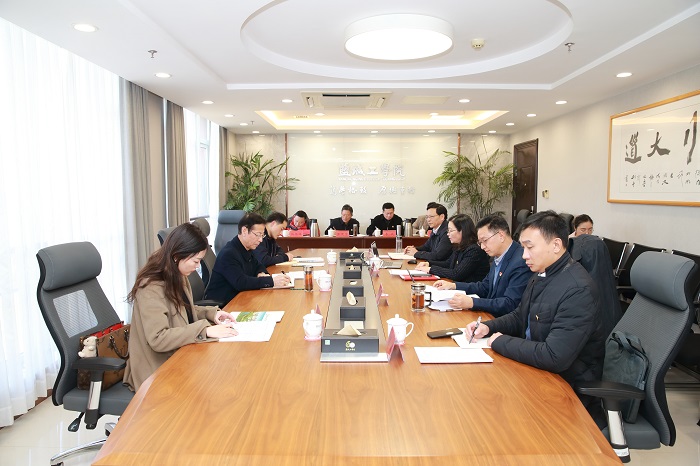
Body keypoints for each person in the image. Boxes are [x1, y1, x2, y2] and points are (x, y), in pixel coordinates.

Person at [464, 210, 605, 424]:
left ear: (556, 245)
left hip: (564, 389)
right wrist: (488, 327)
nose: (524, 255)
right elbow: (521, 315)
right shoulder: (542, 273)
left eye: (530, 247)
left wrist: (500, 341)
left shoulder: (578, 290)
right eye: (523, 248)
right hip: (533, 371)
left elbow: (554, 356)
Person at [124, 223, 238, 391]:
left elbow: (182, 310)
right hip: (157, 368)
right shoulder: (151, 286)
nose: (198, 266)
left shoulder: (177, 273)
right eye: (196, 261)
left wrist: (211, 314)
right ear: (177, 256)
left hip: (180, 354)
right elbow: (158, 339)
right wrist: (205, 330)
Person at [434, 214, 532, 317]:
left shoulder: (521, 261)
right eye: (480, 242)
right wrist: (453, 286)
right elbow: (485, 286)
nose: (482, 247)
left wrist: (472, 302)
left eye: (485, 240)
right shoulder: (498, 255)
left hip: (502, 320)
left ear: (501, 236)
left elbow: (510, 304)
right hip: (489, 315)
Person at [205, 213, 290, 303]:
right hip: (223, 305)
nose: (260, 240)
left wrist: (261, 273)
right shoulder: (229, 254)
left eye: (262, 235)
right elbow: (241, 282)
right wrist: (272, 281)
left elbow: (259, 265)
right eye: (258, 235)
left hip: (240, 298)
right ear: (244, 231)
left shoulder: (247, 248)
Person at [415, 214, 490, 282]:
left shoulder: (474, 250)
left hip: (469, 290)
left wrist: (430, 269)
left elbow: (456, 274)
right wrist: (429, 263)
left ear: (462, 231)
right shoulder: (459, 246)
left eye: (451, 231)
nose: (448, 234)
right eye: (448, 231)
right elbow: (448, 263)